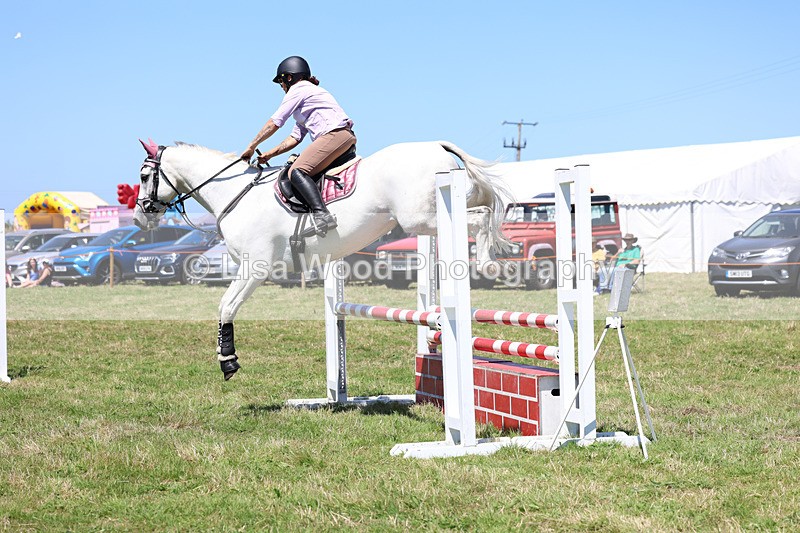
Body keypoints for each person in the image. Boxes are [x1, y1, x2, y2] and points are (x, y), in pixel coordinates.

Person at [240, 56, 356, 237]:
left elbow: (275, 122)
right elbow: (295, 137)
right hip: (341, 138)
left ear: (289, 78)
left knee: (297, 171)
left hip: (334, 135)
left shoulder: (298, 89)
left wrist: (252, 146)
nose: (282, 88)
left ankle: (322, 215)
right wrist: (269, 154)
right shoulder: (308, 96)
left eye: (281, 83)